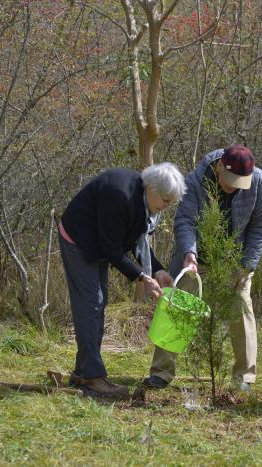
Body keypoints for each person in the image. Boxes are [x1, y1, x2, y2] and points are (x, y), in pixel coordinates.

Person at [143, 144, 262, 391]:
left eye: (238, 183)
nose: (232, 187)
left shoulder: (258, 182)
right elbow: (185, 220)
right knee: (178, 307)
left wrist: (246, 266)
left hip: (236, 261)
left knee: (241, 307)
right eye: (229, 180)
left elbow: (260, 225)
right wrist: (190, 253)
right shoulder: (196, 180)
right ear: (220, 166)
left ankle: (244, 376)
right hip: (195, 259)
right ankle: (161, 372)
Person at [58, 162, 186, 399]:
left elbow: (135, 239)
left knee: (97, 303)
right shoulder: (120, 197)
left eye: (171, 202)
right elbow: (113, 249)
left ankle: (82, 371)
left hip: (98, 242)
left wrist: (156, 270)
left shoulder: (142, 201)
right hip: (78, 239)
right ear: (151, 189)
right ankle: (92, 378)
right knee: (91, 304)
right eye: (166, 201)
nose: (167, 207)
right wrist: (141, 277)